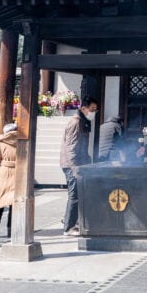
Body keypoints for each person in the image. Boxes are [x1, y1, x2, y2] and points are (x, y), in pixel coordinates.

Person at [60, 98, 98, 235]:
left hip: (79, 164)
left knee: (79, 194)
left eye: (95, 110)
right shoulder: (76, 123)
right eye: (92, 109)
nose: (93, 112)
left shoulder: (82, 122)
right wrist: (75, 168)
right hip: (72, 165)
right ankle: (68, 227)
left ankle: (73, 222)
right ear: (83, 109)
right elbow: (71, 148)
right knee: (74, 195)